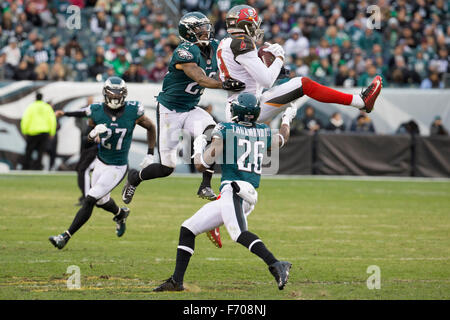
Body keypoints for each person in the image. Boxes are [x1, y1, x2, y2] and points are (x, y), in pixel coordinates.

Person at [121, 12, 245, 248]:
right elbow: (200, 78)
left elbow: (239, 50)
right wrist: (224, 83)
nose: (206, 32)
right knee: (167, 167)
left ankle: (205, 184)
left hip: (191, 107)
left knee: (214, 131)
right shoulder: (185, 51)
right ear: (188, 32)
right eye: (200, 28)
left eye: (206, 27)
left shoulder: (216, 46)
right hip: (170, 110)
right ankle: (135, 178)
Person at [152, 92, 296, 292]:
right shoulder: (263, 130)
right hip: (245, 191)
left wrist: (198, 147)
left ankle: (277, 264)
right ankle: (177, 281)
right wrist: (287, 119)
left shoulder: (226, 129)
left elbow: (202, 165)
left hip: (234, 190)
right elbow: (281, 139)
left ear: (237, 110)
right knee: (188, 229)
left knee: (238, 234)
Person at [216, 5, 382, 125]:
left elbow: (250, 79)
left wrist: (271, 68)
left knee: (298, 88)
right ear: (244, 24)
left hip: (240, 105)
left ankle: (360, 102)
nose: (256, 28)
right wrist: (279, 57)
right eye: (253, 24)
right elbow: (266, 81)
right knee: (304, 84)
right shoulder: (241, 42)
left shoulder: (225, 42)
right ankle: (360, 102)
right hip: (247, 106)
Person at [48, 77, 157, 249]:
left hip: (117, 166)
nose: (115, 99)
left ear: (124, 95)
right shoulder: (97, 111)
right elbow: (84, 116)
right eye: (111, 95)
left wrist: (150, 153)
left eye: (118, 95)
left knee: (90, 199)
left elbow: (151, 127)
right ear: (105, 95)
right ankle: (120, 214)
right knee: (100, 201)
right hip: (100, 162)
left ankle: (65, 236)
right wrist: (71, 118)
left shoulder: (133, 111)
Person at [55, 96, 98, 206]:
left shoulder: (100, 111)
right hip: (86, 144)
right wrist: (65, 113)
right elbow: (79, 114)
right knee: (80, 168)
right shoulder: (92, 109)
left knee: (84, 169)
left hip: (95, 146)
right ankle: (86, 195)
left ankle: (88, 197)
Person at [20, 92, 57, 170]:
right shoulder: (47, 107)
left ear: (35, 98)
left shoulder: (31, 107)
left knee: (29, 150)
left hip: (32, 132)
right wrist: (52, 132)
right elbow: (52, 120)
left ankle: (26, 167)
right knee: (41, 151)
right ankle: (38, 167)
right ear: (42, 98)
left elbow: (25, 119)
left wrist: (24, 131)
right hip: (44, 132)